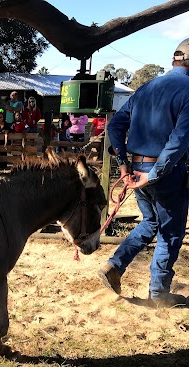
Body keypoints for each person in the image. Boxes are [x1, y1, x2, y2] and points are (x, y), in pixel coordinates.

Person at [98, 38, 189, 308]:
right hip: (165, 173)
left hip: (137, 169)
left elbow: (114, 126)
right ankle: (159, 294)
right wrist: (157, 172)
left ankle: (114, 265)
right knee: (170, 232)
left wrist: (124, 165)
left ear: (175, 59)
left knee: (150, 223)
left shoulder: (146, 87)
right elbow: (179, 140)